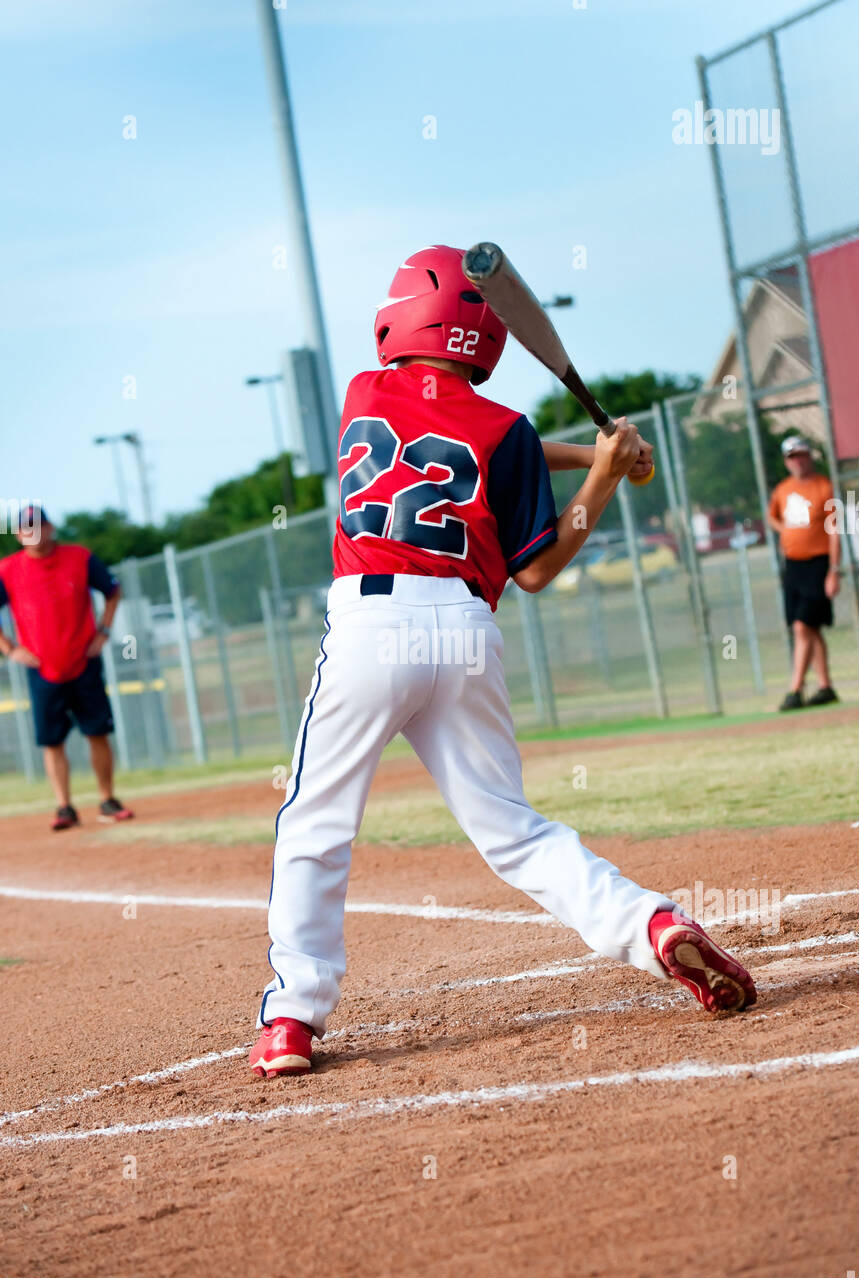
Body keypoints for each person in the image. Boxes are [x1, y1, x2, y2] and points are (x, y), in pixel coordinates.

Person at [250, 245, 755, 1078]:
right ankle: (651, 927)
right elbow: (537, 570)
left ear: (404, 319)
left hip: (371, 627)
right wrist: (599, 476)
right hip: (461, 628)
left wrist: (593, 459)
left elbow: (472, 441)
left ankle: (292, 1020)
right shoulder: (504, 430)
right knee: (513, 831)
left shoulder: (361, 394)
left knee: (315, 823)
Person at [0, 505, 134, 830]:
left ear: (50, 528)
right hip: (41, 668)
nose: (33, 532)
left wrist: (103, 632)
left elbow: (113, 592)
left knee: (97, 732)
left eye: (38, 525)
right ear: (18, 535)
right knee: (52, 741)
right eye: (25, 528)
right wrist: (9, 649)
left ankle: (107, 799)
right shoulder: (7, 569)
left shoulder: (79, 557)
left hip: (83, 661)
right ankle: (64, 807)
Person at [768, 435, 841, 710]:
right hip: (793, 566)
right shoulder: (783, 490)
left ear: (810, 457)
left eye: (802, 455)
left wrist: (834, 570)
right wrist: (783, 530)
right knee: (811, 629)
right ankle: (825, 686)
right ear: (787, 462)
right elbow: (772, 516)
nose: (798, 460)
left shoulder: (824, 486)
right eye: (792, 456)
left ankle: (795, 689)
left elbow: (835, 531)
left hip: (819, 564)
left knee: (802, 626)